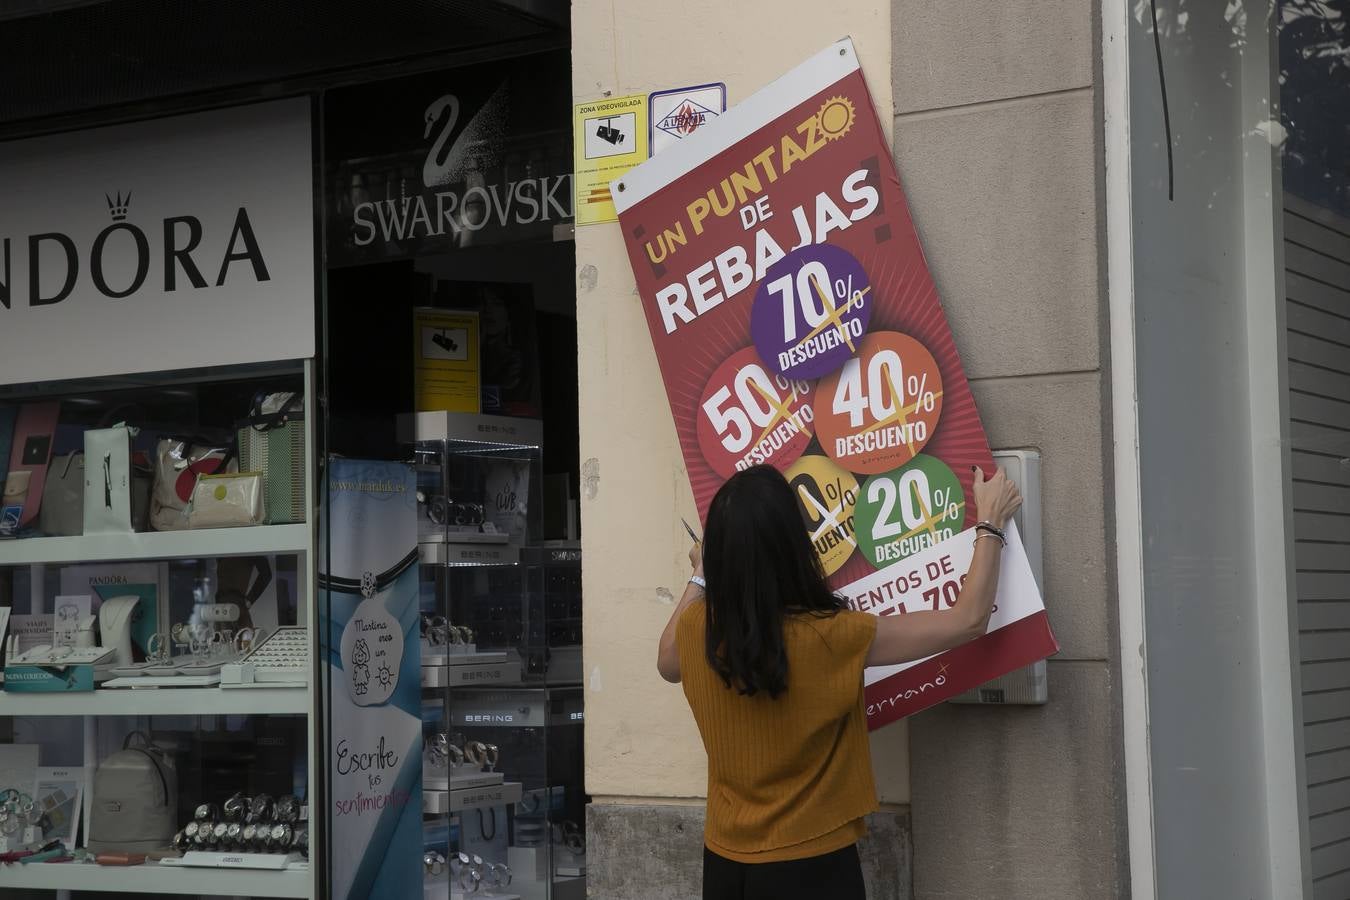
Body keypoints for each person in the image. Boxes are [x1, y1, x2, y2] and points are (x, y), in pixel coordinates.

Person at [657, 463, 1023, 900]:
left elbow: (667, 664)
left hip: (724, 864)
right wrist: (990, 522)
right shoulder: (832, 636)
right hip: (813, 867)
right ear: (793, 542)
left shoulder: (696, 627)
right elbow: (968, 621)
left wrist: (701, 574)